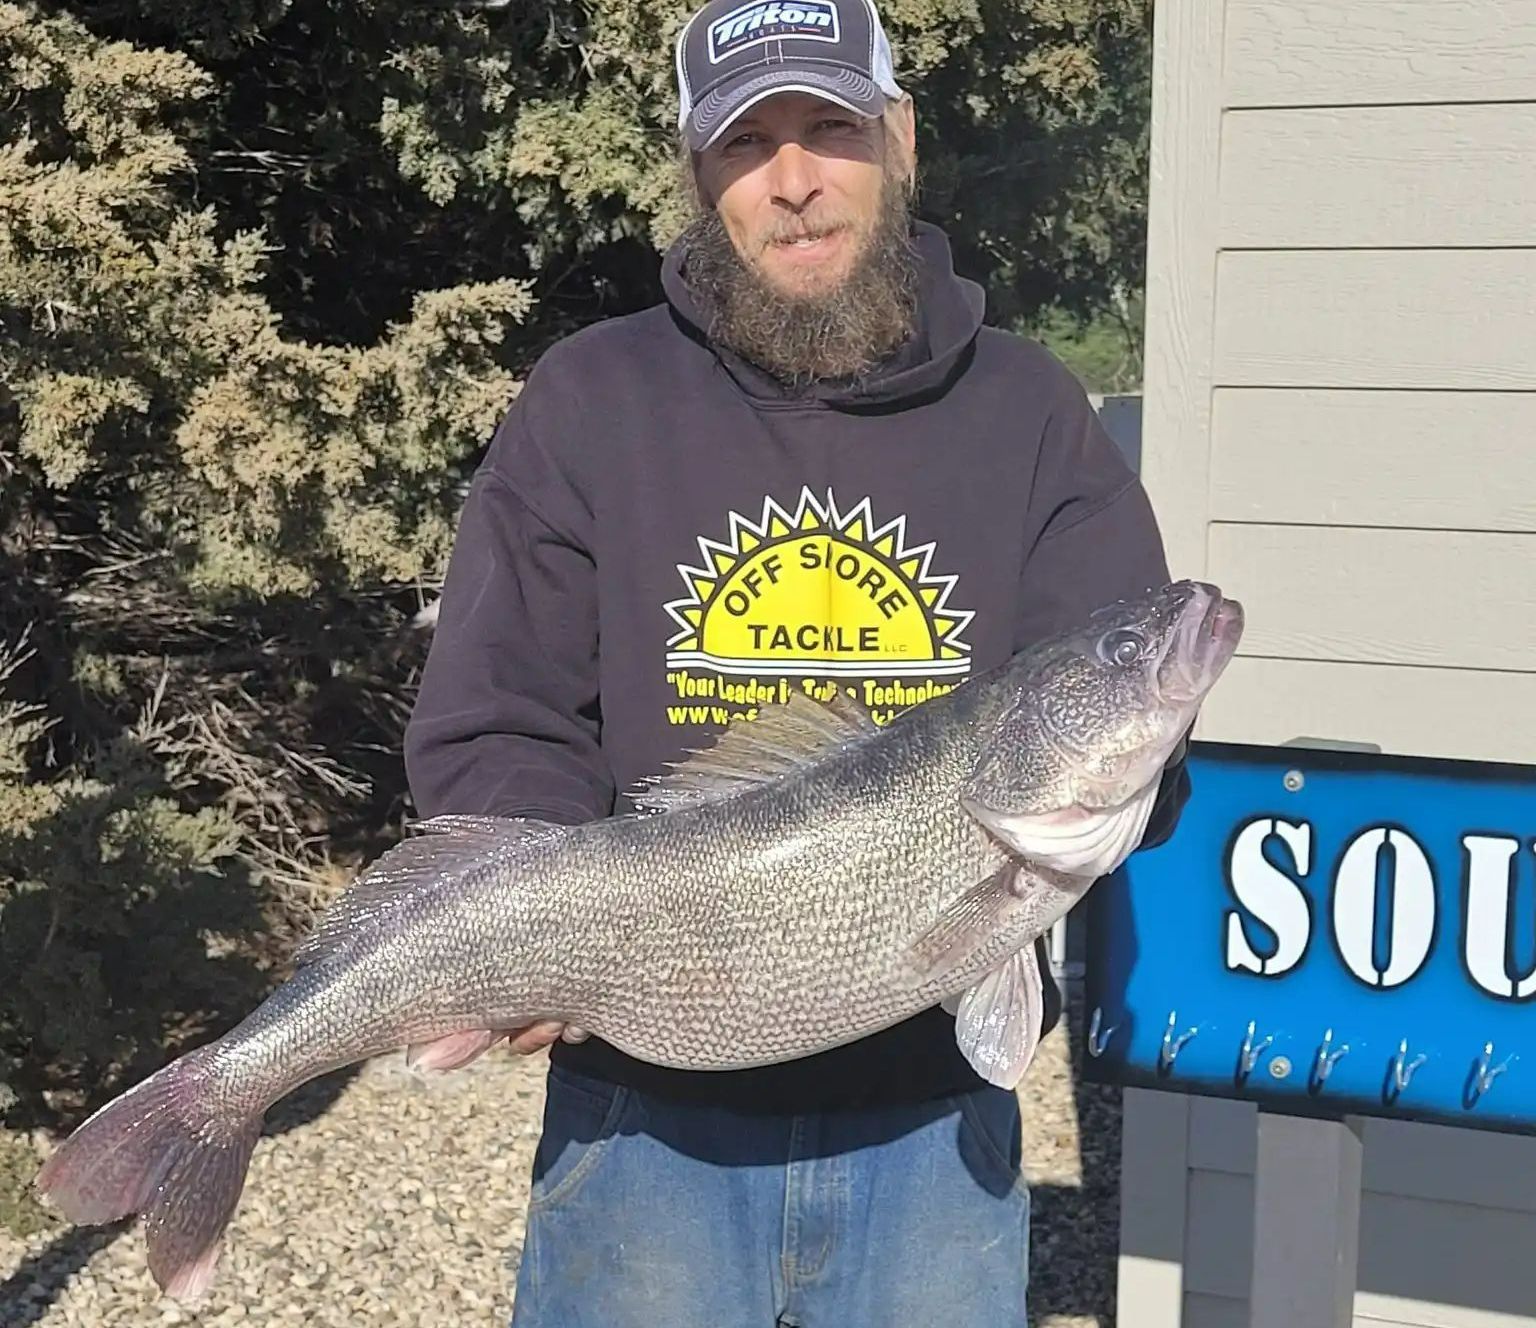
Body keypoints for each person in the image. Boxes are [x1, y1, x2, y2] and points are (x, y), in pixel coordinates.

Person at [403, 0, 1191, 1322]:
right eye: (744, 142)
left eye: (830, 128)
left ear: (902, 140)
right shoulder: (592, 400)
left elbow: (1118, 724)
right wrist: (529, 918)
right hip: (640, 1124)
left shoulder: (1032, 412)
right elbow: (500, 713)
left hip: (934, 1129)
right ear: (699, 175)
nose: (792, 178)